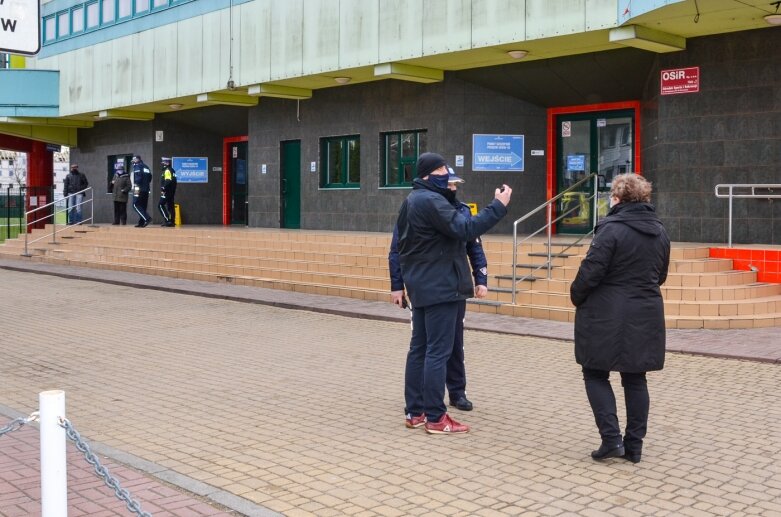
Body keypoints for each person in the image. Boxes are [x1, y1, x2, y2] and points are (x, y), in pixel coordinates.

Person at [396, 152, 511, 434]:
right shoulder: (431, 201)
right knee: (438, 352)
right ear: (427, 175)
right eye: (441, 171)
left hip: (423, 285)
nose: (448, 177)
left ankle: (416, 411)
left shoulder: (412, 200)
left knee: (420, 350)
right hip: (442, 287)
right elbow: (466, 228)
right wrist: (498, 205)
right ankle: (436, 417)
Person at [569, 173, 670, 463]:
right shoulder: (660, 231)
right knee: (636, 379)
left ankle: (611, 440)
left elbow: (591, 272)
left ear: (617, 198)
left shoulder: (610, 229)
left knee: (595, 372)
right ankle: (634, 446)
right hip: (646, 310)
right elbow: (660, 275)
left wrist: (576, 295)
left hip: (605, 313)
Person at [389, 167, 488, 412]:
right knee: (428, 348)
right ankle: (425, 404)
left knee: (454, 343)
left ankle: (456, 392)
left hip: (453, 286)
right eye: (449, 184)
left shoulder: (460, 210)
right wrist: (396, 286)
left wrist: (481, 277)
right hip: (432, 288)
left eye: (455, 184)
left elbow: (473, 246)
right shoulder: (416, 209)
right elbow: (397, 250)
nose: (453, 188)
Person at [131, 155, 152, 227]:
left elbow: (138, 179)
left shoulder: (137, 166)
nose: (133, 162)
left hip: (138, 188)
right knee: (143, 206)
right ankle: (141, 222)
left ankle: (147, 218)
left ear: (137, 160)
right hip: (146, 189)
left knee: (135, 204)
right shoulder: (146, 167)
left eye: (133, 161)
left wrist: (135, 185)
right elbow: (150, 178)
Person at [157, 157, 177, 227]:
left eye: (164, 162)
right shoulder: (172, 170)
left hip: (167, 191)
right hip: (172, 191)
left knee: (160, 205)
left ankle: (167, 220)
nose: (162, 164)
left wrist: (163, 188)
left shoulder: (167, 170)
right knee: (170, 206)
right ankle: (172, 222)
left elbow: (168, 180)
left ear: (167, 163)